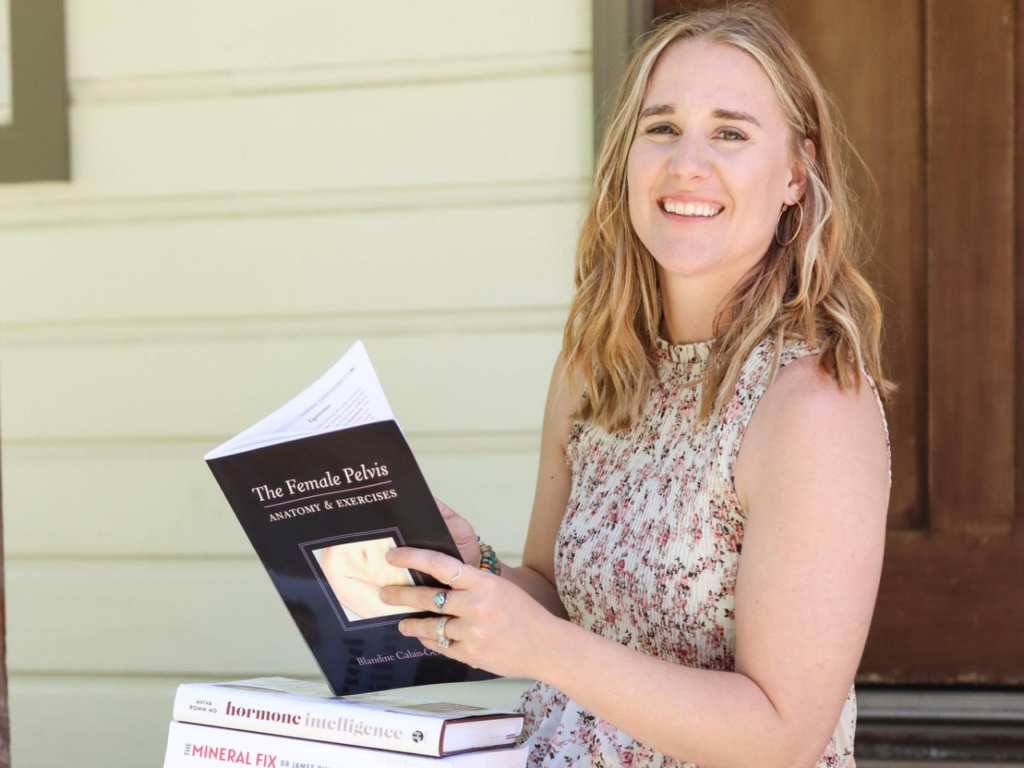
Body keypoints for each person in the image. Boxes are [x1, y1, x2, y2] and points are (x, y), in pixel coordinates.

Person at [378, 3, 893, 767]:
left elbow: (783, 734)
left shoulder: (813, 408)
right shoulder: (594, 364)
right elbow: (556, 592)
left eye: (729, 132)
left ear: (795, 173)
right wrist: (475, 575)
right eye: (661, 128)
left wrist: (545, 649)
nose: (688, 163)